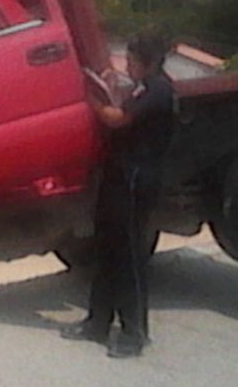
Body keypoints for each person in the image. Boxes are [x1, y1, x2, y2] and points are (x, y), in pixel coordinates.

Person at [61, 30, 177, 358]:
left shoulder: (158, 90)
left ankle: (133, 333)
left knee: (129, 257)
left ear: (148, 62)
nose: (127, 66)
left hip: (136, 181)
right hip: (118, 178)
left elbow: (117, 119)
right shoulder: (143, 88)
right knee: (107, 251)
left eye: (131, 60)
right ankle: (97, 322)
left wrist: (92, 99)